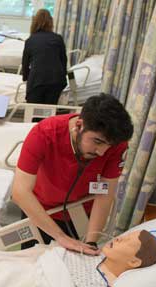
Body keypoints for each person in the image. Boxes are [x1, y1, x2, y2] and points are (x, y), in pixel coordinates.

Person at [12, 93, 134, 253]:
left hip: (81, 213)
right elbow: (20, 192)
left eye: (109, 146)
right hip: (40, 212)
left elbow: (104, 194)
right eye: (97, 142)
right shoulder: (44, 134)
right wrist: (61, 238)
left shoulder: (116, 145)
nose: (102, 152)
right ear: (79, 125)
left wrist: (91, 241)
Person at [22, 9, 67, 105]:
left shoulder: (30, 40)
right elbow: (63, 61)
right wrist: (63, 75)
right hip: (56, 81)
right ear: (50, 22)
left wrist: (26, 78)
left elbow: (25, 64)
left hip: (37, 81)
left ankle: (35, 120)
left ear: (34, 22)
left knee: (33, 112)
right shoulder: (58, 39)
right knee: (49, 111)